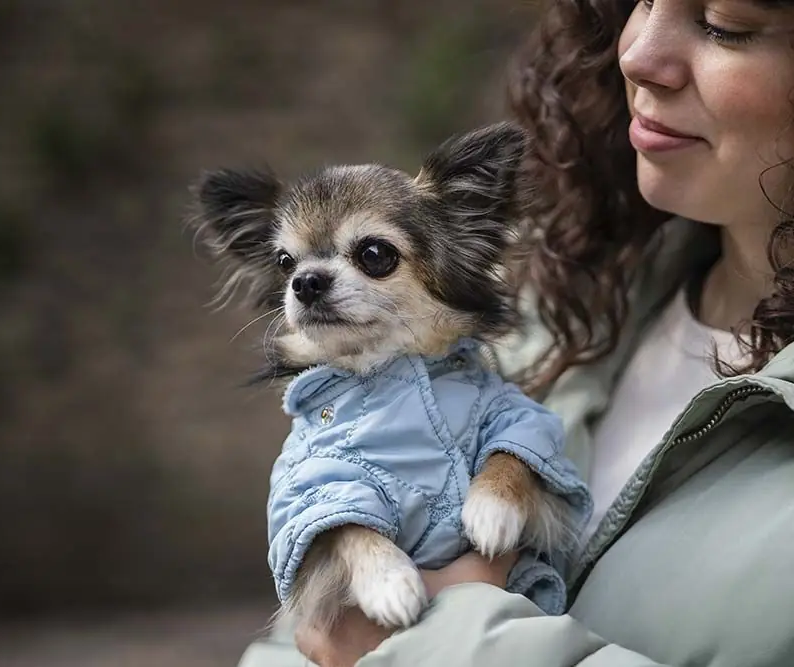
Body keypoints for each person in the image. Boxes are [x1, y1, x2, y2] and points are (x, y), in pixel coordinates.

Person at [234, 0, 794, 665]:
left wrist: (419, 642)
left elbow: (338, 640)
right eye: (641, 0)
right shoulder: (556, 305)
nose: (637, 52)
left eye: (725, 22)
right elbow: (286, 640)